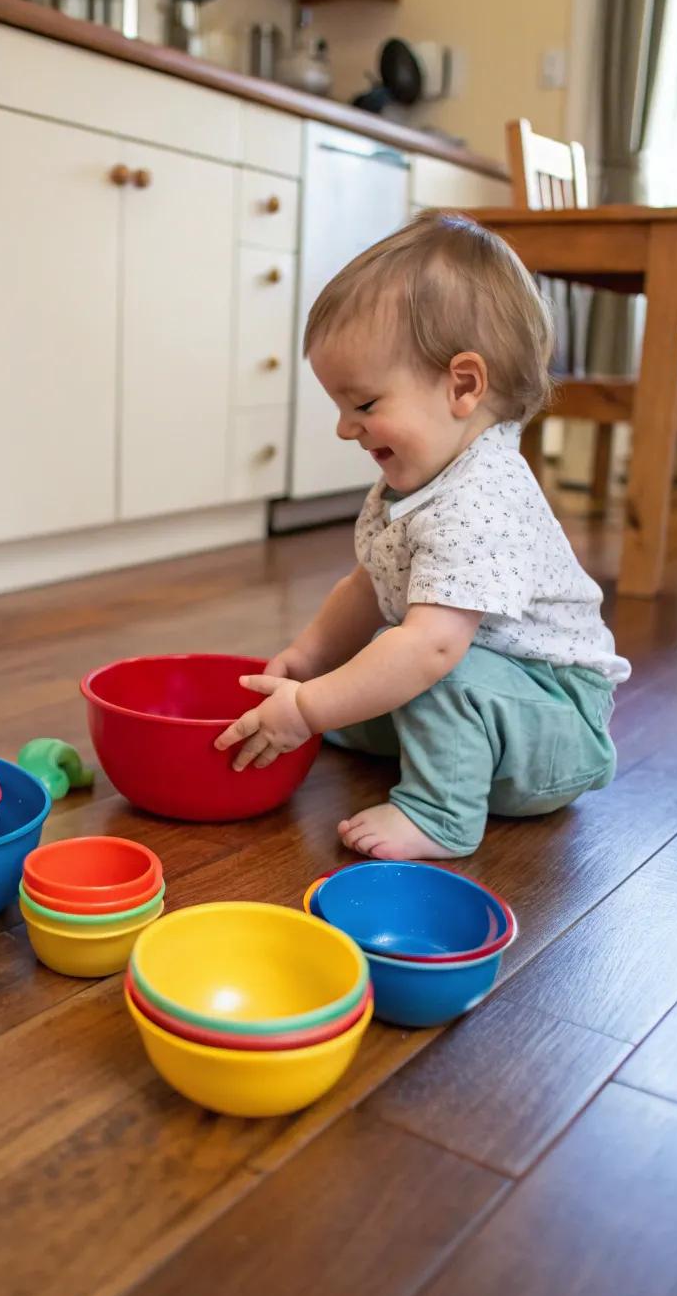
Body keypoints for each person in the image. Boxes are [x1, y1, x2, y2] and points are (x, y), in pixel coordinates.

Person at [215, 211, 630, 861]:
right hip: (498, 696)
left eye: (365, 405)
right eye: (339, 408)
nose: (345, 429)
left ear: (462, 385)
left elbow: (435, 651)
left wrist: (309, 708)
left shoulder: (480, 493)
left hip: (554, 725)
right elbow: (367, 584)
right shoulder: (415, 481)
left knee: (425, 662)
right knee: (380, 654)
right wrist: (310, 662)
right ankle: (406, 738)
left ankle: (440, 814)